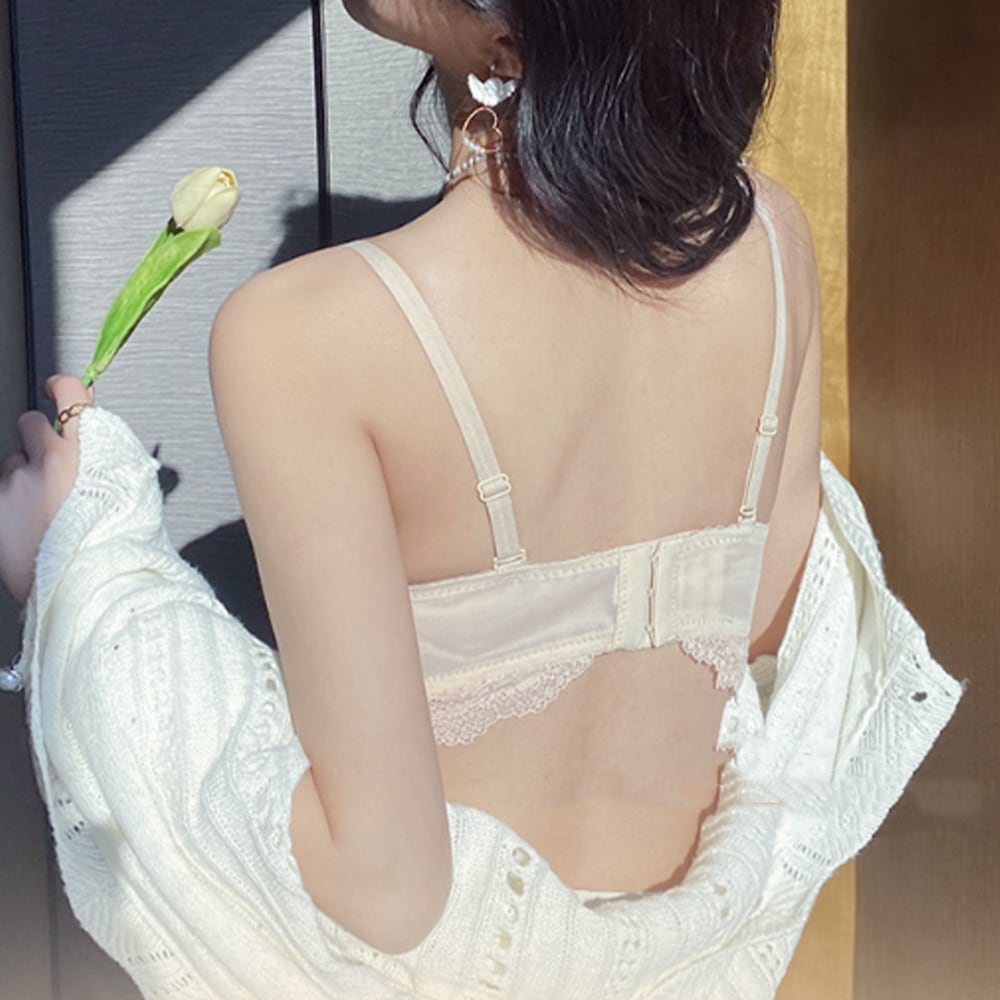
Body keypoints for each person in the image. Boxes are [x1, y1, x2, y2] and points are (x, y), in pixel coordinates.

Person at [0, 1, 961, 997]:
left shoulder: (307, 333)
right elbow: (763, 626)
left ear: (507, 46)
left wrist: (83, 557)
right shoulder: (770, 240)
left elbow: (386, 890)